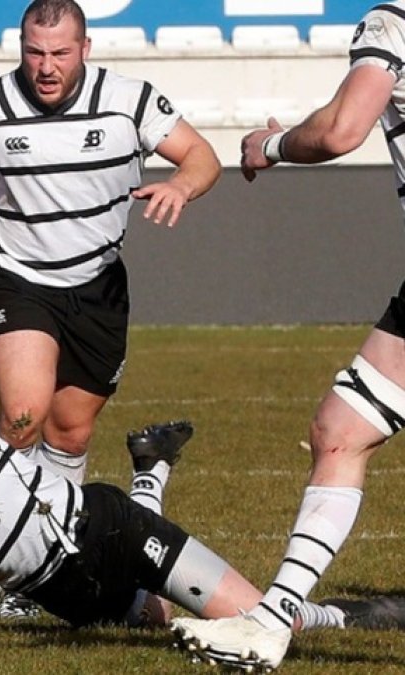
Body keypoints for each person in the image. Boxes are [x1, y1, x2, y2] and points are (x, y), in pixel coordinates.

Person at [0, 0, 221, 614]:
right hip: (17, 280)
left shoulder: (129, 100)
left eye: (59, 52)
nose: (46, 67)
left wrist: (181, 184)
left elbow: (202, 156)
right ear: (20, 46)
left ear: (85, 48)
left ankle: (49, 559)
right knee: (23, 416)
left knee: (70, 434)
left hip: (99, 286)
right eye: (34, 52)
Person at [0, 366, 404, 637]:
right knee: (194, 627)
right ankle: (151, 465)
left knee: (266, 626)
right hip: (63, 594)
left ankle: (352, 617)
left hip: (104, 528)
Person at [169, 2, 405, 670]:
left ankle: (273, 620)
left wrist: (268, 146)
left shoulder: (393, 23)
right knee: (342, 426)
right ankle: (274, 619)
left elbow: (340, 130)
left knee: (343, 428)